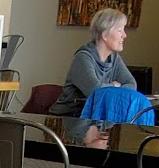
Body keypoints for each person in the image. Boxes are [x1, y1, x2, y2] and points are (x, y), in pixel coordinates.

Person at [48, 8, 133, 148]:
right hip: (67, 123)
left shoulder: (114, 58)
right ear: (105, 35)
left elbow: (131, 85)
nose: (124, 35)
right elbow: (95, 91)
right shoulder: (83, 57)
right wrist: (114, 86)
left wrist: (108, 89)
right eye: (120, 30)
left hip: (94, 120)